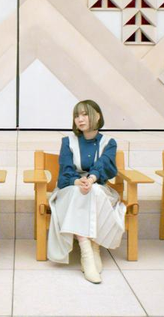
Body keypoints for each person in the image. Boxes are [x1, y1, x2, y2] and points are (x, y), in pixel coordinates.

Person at [47, 100, 124, 284]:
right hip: (70, 188)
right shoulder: (68, 141)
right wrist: (77, 181)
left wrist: (90, 179)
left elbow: (104, 164)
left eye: (85, 114)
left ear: (97, 116)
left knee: (93, 191)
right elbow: (65, 169)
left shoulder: (108, 142)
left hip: (98, 187)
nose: (80, 119)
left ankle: (94, 247)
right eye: (77, 115)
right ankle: (87, 252)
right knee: (79, 192)